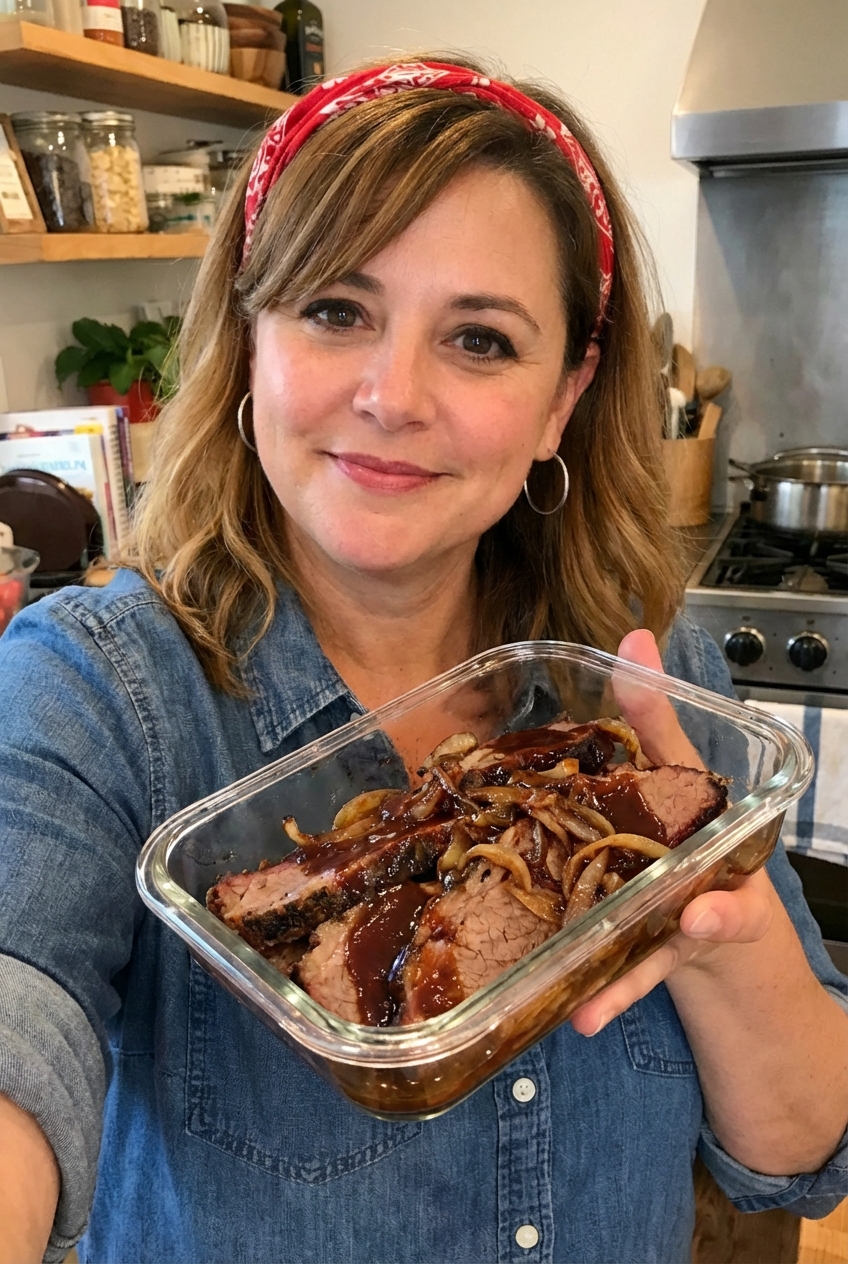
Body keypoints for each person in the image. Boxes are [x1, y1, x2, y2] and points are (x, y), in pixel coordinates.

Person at [0, 56, 846, 1264]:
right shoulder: (94, 690)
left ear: (563, 399)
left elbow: (796, 1144)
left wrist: (725, 933)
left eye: (481, 340)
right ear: (248, 343)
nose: (392, 395)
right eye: (336, 311)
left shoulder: (649, 677)